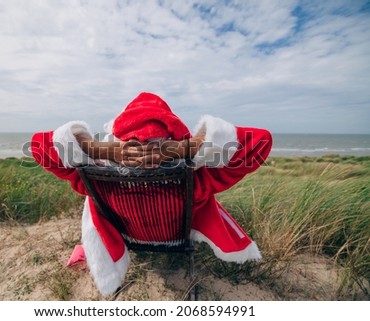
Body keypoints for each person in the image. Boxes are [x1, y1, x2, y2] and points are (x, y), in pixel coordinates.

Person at [30, 92, 272, 296]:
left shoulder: (100, 179)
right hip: (176, 236)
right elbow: (261, 141)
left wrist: (99, 150)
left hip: (128, 235)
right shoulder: (195, 180)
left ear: (117, 140)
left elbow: (39, 145)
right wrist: (183, 149)